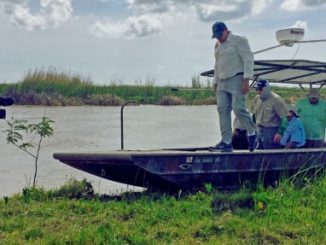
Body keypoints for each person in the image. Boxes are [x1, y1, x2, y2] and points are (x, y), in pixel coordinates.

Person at [209, 21, 257, 152]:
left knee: (238, 108)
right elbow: (217, 64)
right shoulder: (217, 45)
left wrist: (246, 79)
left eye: (220, 34)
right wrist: (215, 81)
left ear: (226, 30)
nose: (218, 37)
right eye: (216, 35)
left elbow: (248, 59)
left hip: (237, 77)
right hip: (222, 80)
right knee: (222, 110)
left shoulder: (238, 39)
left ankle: (252, 133)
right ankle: (226, 142)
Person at [252, 80, 288, 149]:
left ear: (266, 88)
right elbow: (254, 114)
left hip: (271, 131)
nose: (258, 91)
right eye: (257, 89)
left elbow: (285, 117)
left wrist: (280, 133)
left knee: (270, 154)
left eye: (260, 89)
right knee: (257, 152)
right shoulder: (257, 98)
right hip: (258, 129)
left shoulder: (276, 99)